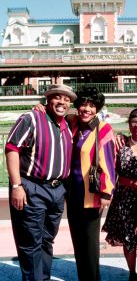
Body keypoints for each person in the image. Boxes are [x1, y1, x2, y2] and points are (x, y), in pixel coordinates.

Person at [5, 84, 77, 281]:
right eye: (57, 97)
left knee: (46, 240)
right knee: (31, 242)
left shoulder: (67, 125)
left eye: (66, 99)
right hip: (32, 187)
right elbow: (12, 148)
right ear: (48, 99)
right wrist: (16, 185)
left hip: (57, 190)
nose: (62, 102)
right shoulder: (32, 118)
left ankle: (42, 278)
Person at [66, 85, 116, 281]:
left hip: (92, 195)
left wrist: (106, 192)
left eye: (91, 105)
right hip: (73, 194)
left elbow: (109, 164)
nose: (86, 109)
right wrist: (40, 107)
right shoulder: (75, 124)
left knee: (89, 243)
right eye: (83, 104)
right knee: (77, 242)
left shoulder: (103, 129)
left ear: (97, 108)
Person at [102, 107, 137, 281]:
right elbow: (109, 170)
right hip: (125, 200)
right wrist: (127, 182)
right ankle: (132, 273)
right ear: (129, 125)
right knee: (128, 238)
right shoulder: (121, 144)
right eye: (134, 121)